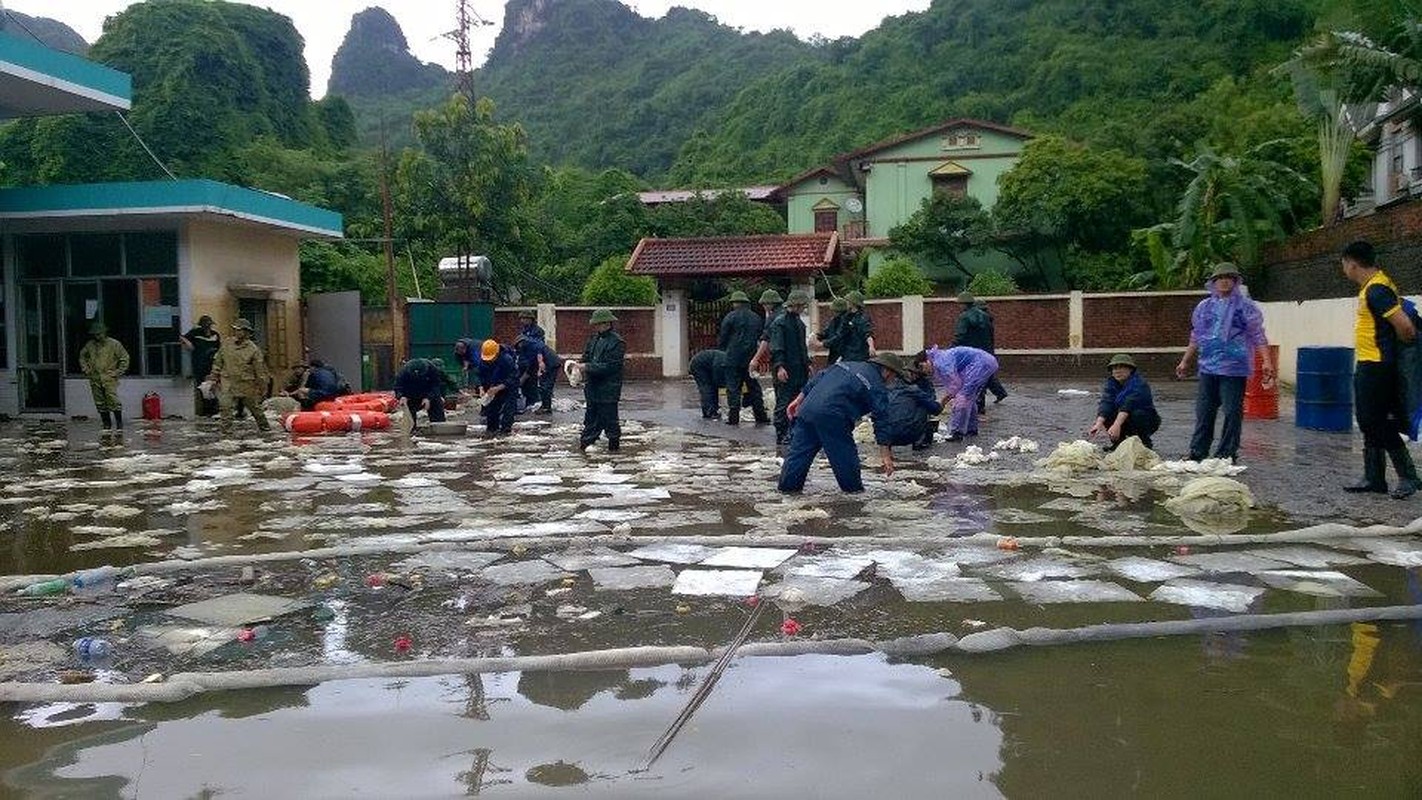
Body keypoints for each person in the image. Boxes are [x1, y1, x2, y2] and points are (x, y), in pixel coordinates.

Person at [1341, 240, 1419, 498]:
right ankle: (1374, 478)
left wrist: (1399, 347)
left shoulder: (1377, 290)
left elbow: (1405, 326)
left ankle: (1408, 477)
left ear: (1351, 263)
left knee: (1378, 421)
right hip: (1369, 362)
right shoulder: (1373, 286)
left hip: (1377, 365)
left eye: (1344, 264)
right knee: (1368, 421)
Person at [1177, 262, 1276, 462]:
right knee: (1204, 412)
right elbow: (1196, 335)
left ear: (1235, 281)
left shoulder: (1245, 307)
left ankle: (1226, 454)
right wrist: (1185, 361)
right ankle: (1198, 452)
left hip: (1234, 368)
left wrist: (1267, 361)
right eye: (1220, 278)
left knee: (1232, 412)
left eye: (1228, 278)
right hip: (1208, 367)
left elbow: (1258, 335)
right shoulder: (1205, 307)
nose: (1224, 281)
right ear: (1213, 282)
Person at [777, 356, 898, 493]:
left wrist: (799, 399)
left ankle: (787, 492)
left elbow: (819, 377)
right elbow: (881, 419)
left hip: (807, 409)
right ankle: (854, 494)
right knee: (844, 457)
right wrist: (886, 455)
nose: (893, 381)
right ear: (888, 372)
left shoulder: (844, 364)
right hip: (833, 416)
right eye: (894, 376)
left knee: (798, 456)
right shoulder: (877, 385)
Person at [871, 352, 943, 475]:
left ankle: (890, 448)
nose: (913, 376)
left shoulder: (886, 386)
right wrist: (944, 400)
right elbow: (934, 408)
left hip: (884, 437)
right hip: (907, 434)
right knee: (922, 405)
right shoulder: (911, 389)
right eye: (911, 373)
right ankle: (919, 440)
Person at [921, 345, 999, 441]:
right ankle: (971, 429)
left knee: (962, 397)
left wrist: (943, 402)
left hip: (980, 364)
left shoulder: (940, 363)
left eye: (922, 366)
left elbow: (955, 385)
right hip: (984, 362)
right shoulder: (940, 358)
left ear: (927, 361)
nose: (923, 371)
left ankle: (957, 432)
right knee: (968, 397)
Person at [206, 319, 270, 432]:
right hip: (228, 380)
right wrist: (213, 377)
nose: (236, 332)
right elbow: (218, 362)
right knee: (225, 407)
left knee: (255, 408)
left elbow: (260, 371)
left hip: (246, 383)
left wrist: (263, 387)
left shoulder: (253, 349)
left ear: (246, 332)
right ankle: (226, 432)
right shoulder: (227, 344)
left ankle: (265, 427)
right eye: (235, 329)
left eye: (239, 330)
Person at [576, 308, 626, 452]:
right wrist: (577, 364)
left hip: (608, 387)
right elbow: (586, 356)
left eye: (599, 324)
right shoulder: (594, 339)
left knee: (610, 420)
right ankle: (586, 443)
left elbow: (611, 366)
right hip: (592, 386)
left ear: (607, 323)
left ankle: (614, 447)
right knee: (590, 418)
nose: (596, 327)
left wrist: (587, 366)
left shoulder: (617, 342)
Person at [1088, 353, 1161, 451]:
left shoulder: (1139, 384)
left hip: (1145, 419)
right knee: (1107, 414)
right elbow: (1106, 402)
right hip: (1123, 417)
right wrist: (1098, 424)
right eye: (1114, 368)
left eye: (1122, 367)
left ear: (1130, 369)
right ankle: (1118, 443)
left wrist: (1116, 425)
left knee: (1137, 414)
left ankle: (1144, 442)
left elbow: (1128, 404)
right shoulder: (1111, 384)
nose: (1117, 371)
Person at [717, 290, 769, 426]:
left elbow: (723, 338)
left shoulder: (730, 317)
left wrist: (724, 349)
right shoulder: (756, 318)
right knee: (754, 387)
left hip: (732, 358)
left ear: (735, 303)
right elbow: (761, 336)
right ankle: (761, 415)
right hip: (751, 358)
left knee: (733, 388)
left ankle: (733, 417)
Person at [768, 290, 812, 445]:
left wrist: (807, 364)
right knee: (783, 401)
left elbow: (802, 347)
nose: (803, 308)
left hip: (799, 369)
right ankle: (781, 433)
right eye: (802, 305)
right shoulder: (780, 323)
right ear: (796, 305)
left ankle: (792, 431)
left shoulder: (798, 323)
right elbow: (777, 347)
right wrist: (780, 367)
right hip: (786, 369)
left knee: (797, 401)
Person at [954, 293, 1008, 410]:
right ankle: (981, 404)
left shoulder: (964, 317)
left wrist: (951, 350)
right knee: (983, 377)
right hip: (986, 352)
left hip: (971, 354)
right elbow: (991, 336)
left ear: (963, 304)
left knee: (972, 378)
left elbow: (960, 337)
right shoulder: (986, 317)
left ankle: (976, 406)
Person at [79, 321, 130, 431]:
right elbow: (82, 356)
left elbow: (125, 358)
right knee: (99, 401)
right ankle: (106, 423)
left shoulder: (114, 344)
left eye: (99, 334)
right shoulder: (90, 345)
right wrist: (85, 368)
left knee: (113, 400)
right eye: (95, 334)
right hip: (95, 377)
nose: (97, 337)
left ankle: (119, 423)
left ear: (104, 333)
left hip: (109, 377)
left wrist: (117, 372)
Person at [474, 339, 519, 433]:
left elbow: (513, 377)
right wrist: (481, 388)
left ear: (497, 353)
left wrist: (499, 387)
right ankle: (491, 429)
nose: (489, 361)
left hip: (508, 386)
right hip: (492, 386)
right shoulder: (483, 360)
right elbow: (480, 375)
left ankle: (505, 430)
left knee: (508, 409)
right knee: (492, 409)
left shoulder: (507, 359)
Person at [180, 315, 221, 416]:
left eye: (209, 325)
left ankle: (214, 409)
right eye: (206, 325)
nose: (208, 327)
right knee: (203, 388)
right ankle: (207, 410)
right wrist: (189, 345)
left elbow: (220, 349)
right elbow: (182, 337)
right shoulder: (195, 333)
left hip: (213, 365)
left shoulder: (215, 334)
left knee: (213, 387)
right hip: (200, 365)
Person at [393, 357, 451, 427]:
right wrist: (401, 396)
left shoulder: (432, 369)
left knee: (437, 412)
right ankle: (412, 430)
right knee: (409, 419)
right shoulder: (403, 372)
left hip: (428, 392)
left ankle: (438, 428)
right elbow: (397, 386)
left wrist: (428, 398)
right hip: (410, 394)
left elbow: (436, 386)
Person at [909, 351, 943, 450]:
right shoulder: (913, 381)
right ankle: (920, 440)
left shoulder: (923, 379)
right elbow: (931, 402)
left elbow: (930, 398)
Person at [282, 360, 347, 411]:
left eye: (298, 368)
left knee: (301, 391)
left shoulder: (309, 373)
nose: (296, 370)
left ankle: (305, 407)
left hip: (325, 394)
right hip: (333, 393)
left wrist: (291, 394)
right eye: (295, 369)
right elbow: (288, 384)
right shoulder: (328, 371)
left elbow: (305, 386)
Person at [749, 288, 784, 374]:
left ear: (770, 304)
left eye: (764, 304)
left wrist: (755, 359)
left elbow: (765, 340)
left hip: (779, 358)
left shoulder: (772, 318)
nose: (763, 307)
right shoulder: (788, 314)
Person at [689, 348, 728, 419]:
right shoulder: (722, 363)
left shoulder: (726, 360)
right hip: (699, 365)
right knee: (707, 388)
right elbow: (717, 380)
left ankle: (713, 410)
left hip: (703, 362)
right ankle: (709, 412)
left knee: (711, 388)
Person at [838, 290, 875, 362]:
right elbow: (840, 334)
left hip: (858, 356)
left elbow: (868, 333)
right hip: (846, 355)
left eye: (848, 301)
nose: (846, 302)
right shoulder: (846, 316)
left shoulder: (862, 318)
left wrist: (871, 346)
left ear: (853, 303)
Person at [816, 297, 849, 365]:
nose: (832, 312)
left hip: (843, 354)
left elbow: (839, 337)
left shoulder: (845, 321)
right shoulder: (834, 320)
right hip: (833, 353)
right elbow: (827, 332)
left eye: (834, 310)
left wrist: (823, 344)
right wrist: (817, 336)